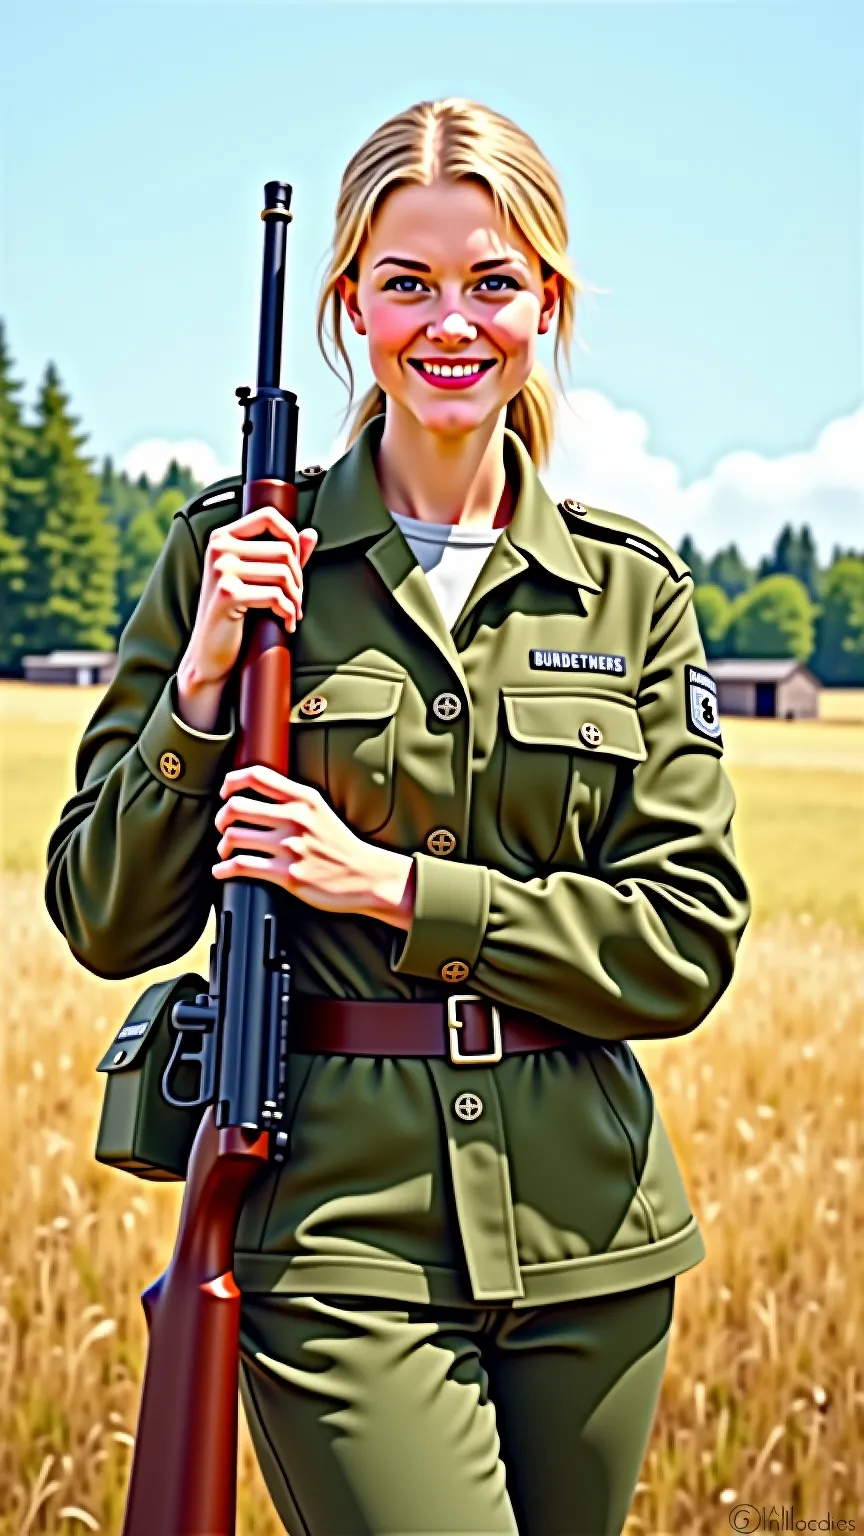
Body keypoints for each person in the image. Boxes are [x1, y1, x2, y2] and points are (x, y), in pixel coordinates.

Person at [47, 98, 750, 1536]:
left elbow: (684, 943)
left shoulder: (630, 591)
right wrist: (197, 687)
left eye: (492, 282)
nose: (452, 322)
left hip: (592, 1239)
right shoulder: (230, 552)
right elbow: (103, 915)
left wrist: (390, 889)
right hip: (335, 1232)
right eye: (408, 281)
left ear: (544, 302)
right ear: (350, 303)